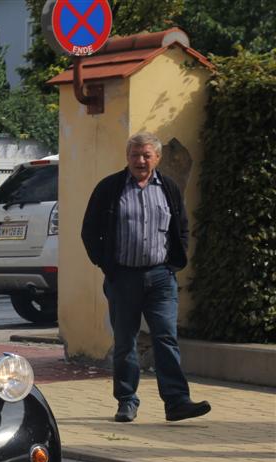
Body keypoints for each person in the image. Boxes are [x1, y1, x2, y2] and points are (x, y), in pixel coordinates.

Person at [81, 131, 210, 423]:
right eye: (135, 155)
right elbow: (90, 231)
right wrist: (107, 266)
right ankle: (127, 401)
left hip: (161, 277)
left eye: (146, 155)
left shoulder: (169, 188)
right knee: (125, 341)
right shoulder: (110, 188)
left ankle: (177, 402)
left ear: (157, 158)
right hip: (123, 277)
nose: (140, 160)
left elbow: (182, 228)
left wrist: (173, 264)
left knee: (166, 338)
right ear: (127, 157)